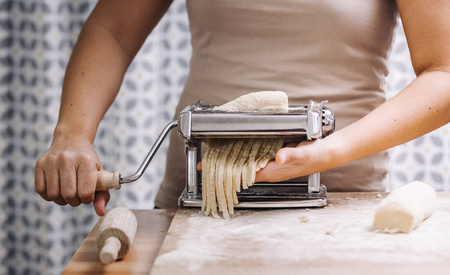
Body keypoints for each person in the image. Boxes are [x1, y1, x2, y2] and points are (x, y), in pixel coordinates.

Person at [35, 0, 450, 216]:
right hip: (197, 202)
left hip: (340, 202)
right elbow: (113, 30)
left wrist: (326, 152)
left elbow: (443, 71)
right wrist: (72, 132)